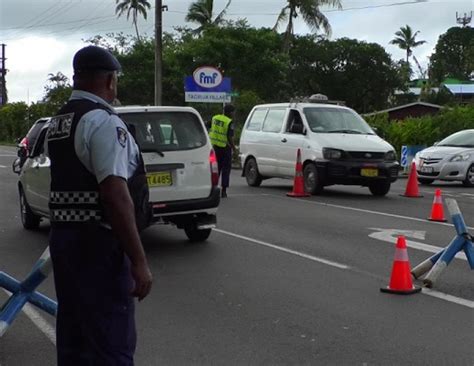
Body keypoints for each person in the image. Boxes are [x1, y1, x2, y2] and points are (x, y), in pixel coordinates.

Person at [47, 45, 153, 365]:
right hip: (99, 245)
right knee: (111, 344)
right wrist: (138, 260)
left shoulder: (59, 120)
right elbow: (114, 193)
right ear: (109, 81)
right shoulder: (104, 122)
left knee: (74, 338)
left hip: (65, 241)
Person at [208, 104, 235, 198]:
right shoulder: (229, 122)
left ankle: (213, 188)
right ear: (230, 112)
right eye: (233, 112)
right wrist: (234, 148)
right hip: (225, 148)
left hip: (215, 147)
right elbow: (229, 137)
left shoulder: (215, 118)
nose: (234, 114)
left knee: (216, 169)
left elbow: (207, 126)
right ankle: (223, 191)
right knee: (226, 169)